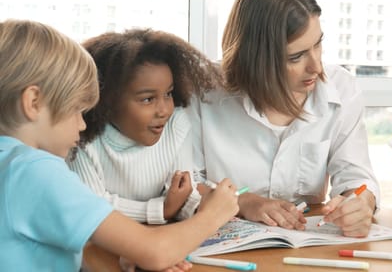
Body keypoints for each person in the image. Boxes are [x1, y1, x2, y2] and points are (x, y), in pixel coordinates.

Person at [0, 19, 239, 271]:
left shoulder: (11, 165)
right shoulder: (34, 171)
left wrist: (128, 252)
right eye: (76, 110)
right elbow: (156, 252)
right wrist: (213, 215)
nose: (82, 125)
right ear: (34, 102)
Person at [190, 0, 379, 237]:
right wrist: (242, 201)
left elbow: (356, 177)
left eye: (318, 44)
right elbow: (183, 182)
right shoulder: (203, 91)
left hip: (303, 243)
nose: (316, 66)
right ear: (255, 59)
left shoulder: (341, 88)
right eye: (296, 56)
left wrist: (360, 203)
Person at [68, 29, 221, 224]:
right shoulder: (82, 137)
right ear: (108, 100)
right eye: (148, 99)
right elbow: (92, 206)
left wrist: (203, 203)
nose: (164, 110)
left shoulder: (177, 123)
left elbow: (182, 193)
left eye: (168, 94)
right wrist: (162, 210)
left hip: (158, 241)